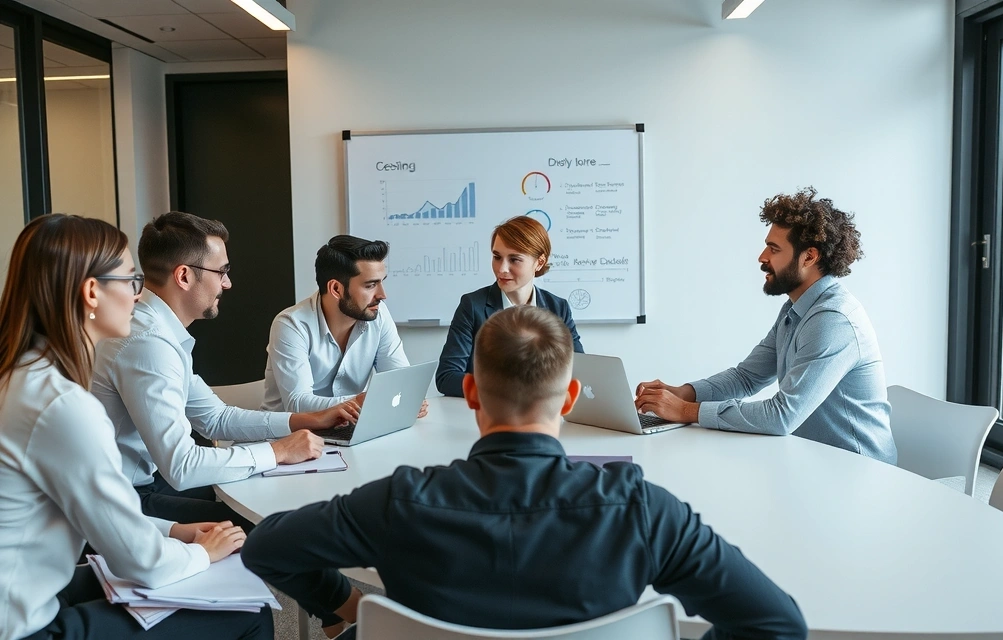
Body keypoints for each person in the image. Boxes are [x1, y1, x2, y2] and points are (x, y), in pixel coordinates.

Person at [242, 306, 807, 640]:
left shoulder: (400, 500)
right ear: (570, 400)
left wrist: (355, 606)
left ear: (468, 394)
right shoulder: (642, 509)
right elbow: (778, 625)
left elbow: (265, 548)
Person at [0, 214, 271, 640]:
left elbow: (90, 513)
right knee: (250, 612)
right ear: (92, 292)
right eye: (131, 281)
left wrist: (173, 532)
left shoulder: (22, 376)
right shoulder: (63, 405)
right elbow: (140, 562)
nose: (139, 295)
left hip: (22, 587)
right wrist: (199, 553)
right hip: (24, 627)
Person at [92, 212, 349, 528]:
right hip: (119, 501)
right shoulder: (148, 344)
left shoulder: (158, 332)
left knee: (257, 495)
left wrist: (306, 420)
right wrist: (278, 451)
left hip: (141, 482)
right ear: (184, 276)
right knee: (271, 526)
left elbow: (215, 418)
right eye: (222, 271)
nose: (228, 283)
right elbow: (183, 465)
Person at [635, 187, 896, 463]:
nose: (762, 257)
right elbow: (746, 377)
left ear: (809, 257)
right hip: (815, 461)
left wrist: (686, 410)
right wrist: (680, 392)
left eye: (774, 249)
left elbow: (782, 416)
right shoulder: (796, 309)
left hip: (859, 471)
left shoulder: (834, 320)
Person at [261, 235, 427, 421]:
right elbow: (298, 404)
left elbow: (400, 382)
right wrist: (367, 401)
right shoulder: (291, 324)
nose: (382, 295)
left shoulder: (378, 314)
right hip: (290, 437)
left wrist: (410, 398)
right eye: (371, 285)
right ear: (336, 289)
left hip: (351, 429)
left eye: (381, 282)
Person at [435, 215, 583, 397]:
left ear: (540, 262)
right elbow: (447, 377)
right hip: (487, 416)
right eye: (497, 257)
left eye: (514, 259)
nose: (501, 269)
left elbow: (579, 372)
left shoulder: (558, 308)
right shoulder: (473, 306)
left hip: (543, 414)